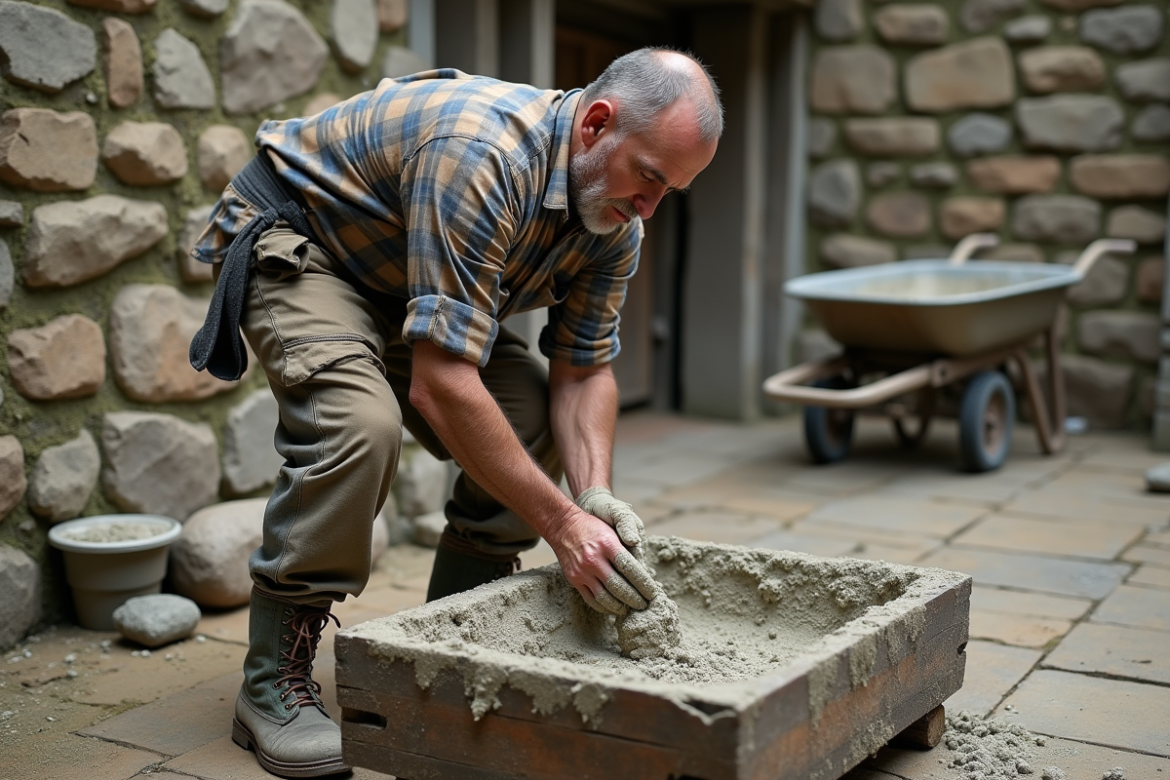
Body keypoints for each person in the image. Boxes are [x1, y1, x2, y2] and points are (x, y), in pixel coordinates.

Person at [188, 47, 722, 778]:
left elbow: (584, 368)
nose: (649, 208)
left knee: (527, 411)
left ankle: (445, 646)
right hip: (308, 243)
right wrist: (563, 526)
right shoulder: (483, 154)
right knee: (359, 424)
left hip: (399, 278)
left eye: (673, 192)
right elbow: (441, 385)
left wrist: (593, 496)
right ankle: (271, 684)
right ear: (597, 125)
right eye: (650, 178)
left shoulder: (614, 221)